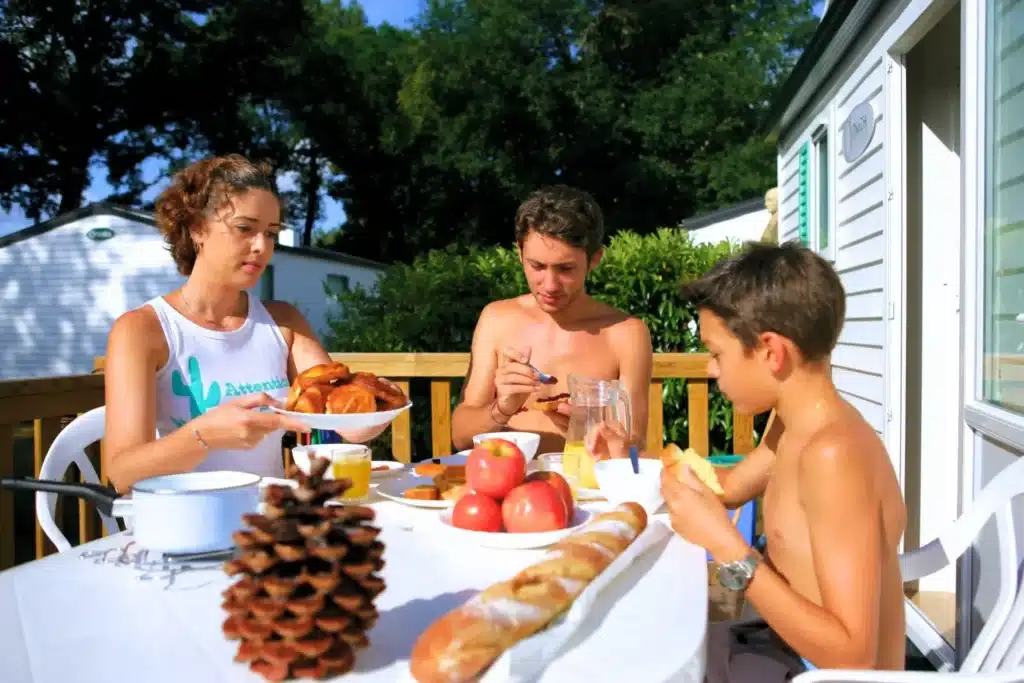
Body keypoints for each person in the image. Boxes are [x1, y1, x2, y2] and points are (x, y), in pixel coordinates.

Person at [588, 241, 907, 679]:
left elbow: (854, 656)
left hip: (817, 670)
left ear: (772, 352)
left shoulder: (834, 455)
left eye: (717, 354)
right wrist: (631, 457)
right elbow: (730, 487)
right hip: (774, 634)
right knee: (637, 612)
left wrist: (727, 547)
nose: (709, 370)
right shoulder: (792, 422)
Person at [103, 154, 392, 492]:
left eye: (271, 233)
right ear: (198, 228)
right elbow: (121, 474)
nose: (261, 246)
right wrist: (205, 436)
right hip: (185, 528)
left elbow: (344, 422)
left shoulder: (283, 322)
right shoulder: (143, 330)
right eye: (245, 228)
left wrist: (378, 406)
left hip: (270, 529)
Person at [450, 185, 653, 455]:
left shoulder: (625, 334)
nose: (550, 284)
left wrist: (587, 429)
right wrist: (501, 410)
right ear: (520, 253)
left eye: (565, 269)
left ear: (594, 260)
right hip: (506, 480)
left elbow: (635, 449)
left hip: (584, 488)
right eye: (537, 266)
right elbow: (460, 437)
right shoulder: (497, 320)